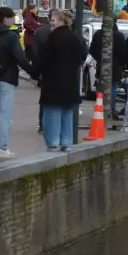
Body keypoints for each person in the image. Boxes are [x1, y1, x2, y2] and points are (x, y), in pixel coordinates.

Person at [0, 6, 35, 158]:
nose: (14, 20)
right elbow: (20, 57)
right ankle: (2, 147)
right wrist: (33, 73)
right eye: (12, 18)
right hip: (7, 77)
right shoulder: (11, 37)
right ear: (6, 19)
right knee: (5, 113)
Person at [36, 9, 87, 150]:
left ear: (61, 22)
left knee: (52, 113)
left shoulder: (52, 39)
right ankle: (66, 142)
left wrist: (36, 75)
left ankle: (53, 143)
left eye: (53, 20)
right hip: (70, 82)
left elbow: (43, 60)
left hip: (53, 82)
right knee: (67, 113)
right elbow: (82, 55)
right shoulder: (75, 38)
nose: (51, 22)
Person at [89, 20, 126, 119]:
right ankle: (112, 110)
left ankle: (100, 109)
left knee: (101, 88)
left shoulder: (98, 34)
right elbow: (123, 53)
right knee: (113, 88)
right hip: (116, 67)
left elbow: (92, 50)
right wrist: (121, 64)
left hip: (102, 65)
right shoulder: (119, 36)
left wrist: (99, 58)